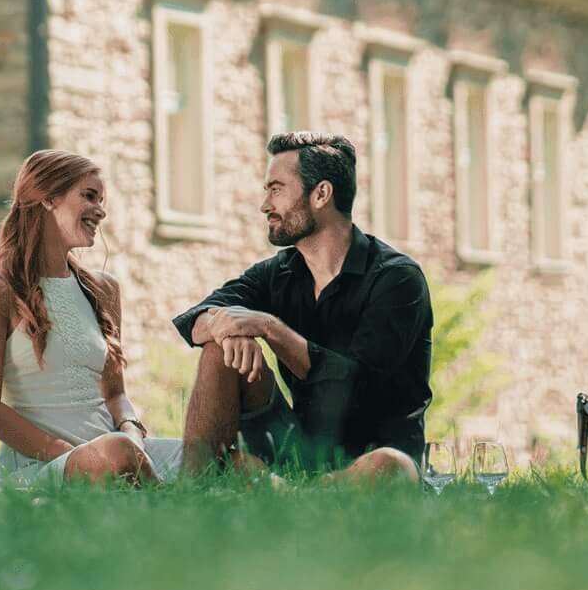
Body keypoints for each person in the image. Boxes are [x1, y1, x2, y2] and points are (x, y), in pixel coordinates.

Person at [174, 131, 429, 482]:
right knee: (220, 349)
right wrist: (225, 326)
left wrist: (269, 328)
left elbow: (359, 389)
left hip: (374, 456)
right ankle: (193, 492)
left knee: (390, 468)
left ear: (321, 194)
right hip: (299, 450)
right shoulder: (278, 272)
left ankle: (285, 492)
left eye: (276, 189)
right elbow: (195, 320)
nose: (265, 205)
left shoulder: (397, 279)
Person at [0, 148, 183, 487]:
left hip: (119, 447)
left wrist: (131, 429)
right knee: (116, 452)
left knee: (221, 454)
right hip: (41, 465)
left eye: (101, 199)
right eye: (90, 196)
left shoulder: (103, 289)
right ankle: (170, 513)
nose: (101, 210)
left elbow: (115, 393)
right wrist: (72, 453)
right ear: (49, 197)